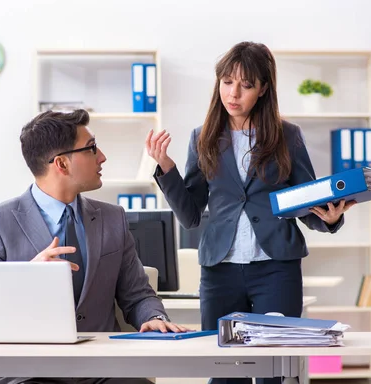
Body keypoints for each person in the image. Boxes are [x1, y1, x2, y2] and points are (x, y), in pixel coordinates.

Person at [145, 41, 356, 384]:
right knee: (224, 372)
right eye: (227, 82)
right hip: (220, 270)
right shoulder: (204, 137)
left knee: (274, 369)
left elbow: (305, 200)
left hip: (276, 268)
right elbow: (191, 215)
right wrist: (165, 167)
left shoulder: (287, 136)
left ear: (263, 89)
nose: (234, 93)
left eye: (245, 85)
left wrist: (329, 219)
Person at [0, 109, 188, 384]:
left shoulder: (113, 218)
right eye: (92, 148)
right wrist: (26, 275)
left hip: (101, 369)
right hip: (27, 371)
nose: (102, 156)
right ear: (62, 164)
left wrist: (153, 316)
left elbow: (138, 294)